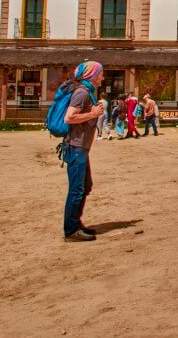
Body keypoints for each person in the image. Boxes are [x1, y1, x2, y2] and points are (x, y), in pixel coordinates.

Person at [62, 61, 105, 242]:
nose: (103, 77)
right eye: (101, 74)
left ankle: (76, 222)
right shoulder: (81, 93)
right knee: (77, 189)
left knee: (85, 186)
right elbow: (69, 117)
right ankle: (71, 230)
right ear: (93, 75)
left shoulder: (88, 93)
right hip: (76, 147)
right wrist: (93, 114)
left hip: (81, 148)